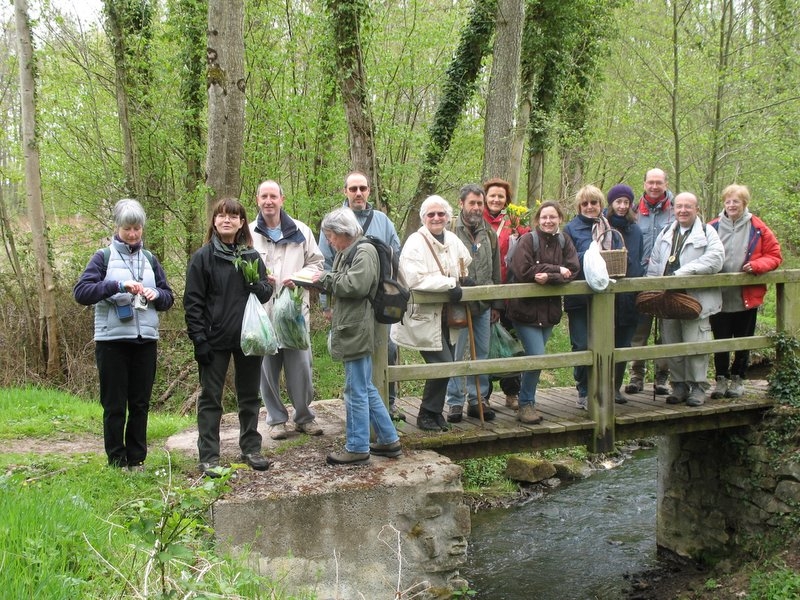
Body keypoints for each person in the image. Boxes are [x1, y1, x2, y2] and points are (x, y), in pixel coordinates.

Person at [73, 199, 174, 471]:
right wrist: (117, 285)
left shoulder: (151, 259)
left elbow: (169, 298)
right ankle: (116, 461)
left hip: (145, 341)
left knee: (140, 403)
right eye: (128, 228)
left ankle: (137, 459)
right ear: (118, 227)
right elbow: (81, 292)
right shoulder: (102, 257)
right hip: (112, 343)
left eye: (137, 228)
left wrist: (157, 295)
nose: (133, 234)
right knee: (115, 404)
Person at [184, 198, 273, 477]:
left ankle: (251, 448)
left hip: (248, 338)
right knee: (211, 398)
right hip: (214, 339)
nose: (227, 220)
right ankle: (209, 456)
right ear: (214, 221)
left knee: (249, 396)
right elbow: (193, 302)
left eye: (233, 217)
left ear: (242, 223)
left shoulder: (251, 257)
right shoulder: (203, 258)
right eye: (221, 216)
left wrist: (257, 286)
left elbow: (266, 293)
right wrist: (199, 339)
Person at [314, 207, 402, 465]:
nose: (329, 241)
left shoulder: (364, 251)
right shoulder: (348, 251)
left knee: (354, 390)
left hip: (358, 328)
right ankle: (388, 439)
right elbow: (345, 279)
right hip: (353, 325)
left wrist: (324, 279)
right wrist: (328, 278)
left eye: (331, 236)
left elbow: (356, 285)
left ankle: (357, 446)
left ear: (344, 233)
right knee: (366, 386)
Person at [318, 171, 404, 420]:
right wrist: (327, 304)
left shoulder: (383, 221)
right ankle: (366, 416)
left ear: (369, 191)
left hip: (379, 302)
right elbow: (326, 263)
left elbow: (395, 256)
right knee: (355, 363)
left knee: (386, 350)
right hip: (348, 304)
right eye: (353, 188)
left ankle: (390, 403)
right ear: (345, 191)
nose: (358, 193)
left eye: (363, 188)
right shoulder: (332, 222)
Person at [250, 180, 325, 439]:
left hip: (294, 312)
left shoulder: (301, 230)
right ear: (257, 200)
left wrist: (300, 277)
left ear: (282, 199)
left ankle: (304, 417)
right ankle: (276, 420)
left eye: (273, 196)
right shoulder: (249, 233)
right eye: (264, 196)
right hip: (264, 312)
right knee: (267, 369)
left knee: (301, 367)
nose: (268, 201)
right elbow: (240, 267)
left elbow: (317, 263)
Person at [391, 195, 473, 431]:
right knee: (443, 363)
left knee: (445, 365)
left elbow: (463, 264)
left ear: (448, 217)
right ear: (423, 218)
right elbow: (415, 279)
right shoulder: (415, 243)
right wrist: (450, 284)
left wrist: (463, 280)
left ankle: (434, 413)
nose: (436, 218)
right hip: (423, 316)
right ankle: (427, 413)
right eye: (431, 214)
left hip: (447, 315)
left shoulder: (452, 239)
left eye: (440, 214)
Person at [647, 192, 724, 407]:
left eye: (687, 206)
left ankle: (698, 387)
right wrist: (652, 291)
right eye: (679, 206)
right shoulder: (665, 233)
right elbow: (654, 264)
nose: (682, 210)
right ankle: (679, 385)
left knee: (696, 344)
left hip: (695, 300)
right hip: (668, 300)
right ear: (673, 209)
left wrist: (683, 272)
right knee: (672, 344)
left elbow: (716, 260)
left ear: (697, 209)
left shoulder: (708, 232)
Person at [507, 201, 579, 424]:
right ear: (537, 220)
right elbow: (523, 270)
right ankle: (526, 404)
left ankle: (524, 397)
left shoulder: (564, 240)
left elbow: (573, 270)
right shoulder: (528, 240)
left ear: (560, 219)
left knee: (534, 358)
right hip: (524, 310)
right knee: (537, 357)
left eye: (553, 217)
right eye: (544, 217)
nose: (548, 221)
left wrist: (550, 277)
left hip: (549, 312)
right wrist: (557, 270)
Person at [707, 184, 782, 399]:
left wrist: (757, 266)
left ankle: (738, 379)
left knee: (743, 339)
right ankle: (721, 379)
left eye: (736, 201)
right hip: (718, 295)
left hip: (746, 295)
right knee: (720, 339)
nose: (732, 205)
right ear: (724, 203)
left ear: (744, 204)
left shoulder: (757, 228)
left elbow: (775, 255)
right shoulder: (711, 227)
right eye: (728, 201)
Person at [445, 184, 502, 423]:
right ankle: (455, 401)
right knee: (457, 352)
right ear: (461, 204)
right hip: (458, 302)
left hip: (483, 302)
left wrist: (496, 303)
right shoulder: (450, 231)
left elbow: (496, 266)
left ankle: (479, 398)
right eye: (472, 203)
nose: (477, 208)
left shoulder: (488, 232)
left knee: (482, 351)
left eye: (480, 203)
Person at [563, 184, 616, 409]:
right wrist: (592, 256)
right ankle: (583, 390)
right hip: (579, 298)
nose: (590, 207)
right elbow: (568, 259)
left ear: (601, 205)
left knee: (604, 343)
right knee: (582, 344)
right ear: (579, 207)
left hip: (604, 297)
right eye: (585, 203)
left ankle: (602, 389)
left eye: (594, 203)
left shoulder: (609, 226)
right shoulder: (570, 229)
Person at [482, 177, 530, 409]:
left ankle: (512, 392)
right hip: (488, 292)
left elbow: (527, 245)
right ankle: (484, 395)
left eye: (501, 196)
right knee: (487, 345)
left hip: (511, 293)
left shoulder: (515, 221)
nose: (496, 199)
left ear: (507, 200)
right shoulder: (478, 221)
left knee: (511, 343)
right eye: (492, 195)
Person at [626, 168, 675, 395]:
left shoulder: (677, 210)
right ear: (644, 184)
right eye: (650, 182)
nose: (654, 186)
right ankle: (636, 375)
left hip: (668, 281)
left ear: (666, 184)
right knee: (639, 331)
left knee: (666, 331)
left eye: (659, 182)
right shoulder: (634, 211)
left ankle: (662, 377)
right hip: (640, 280)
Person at [604, 184, 645, 404]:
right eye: (618, 202)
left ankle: (615, 387)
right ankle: (599, 386)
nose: (621, 206)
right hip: (605, 294)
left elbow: (637, 260)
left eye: (625, 202)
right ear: (611, 203)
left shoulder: (635, 230)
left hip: (628, 295)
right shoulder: (602, 226)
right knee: (603, 342)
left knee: (622, 343)